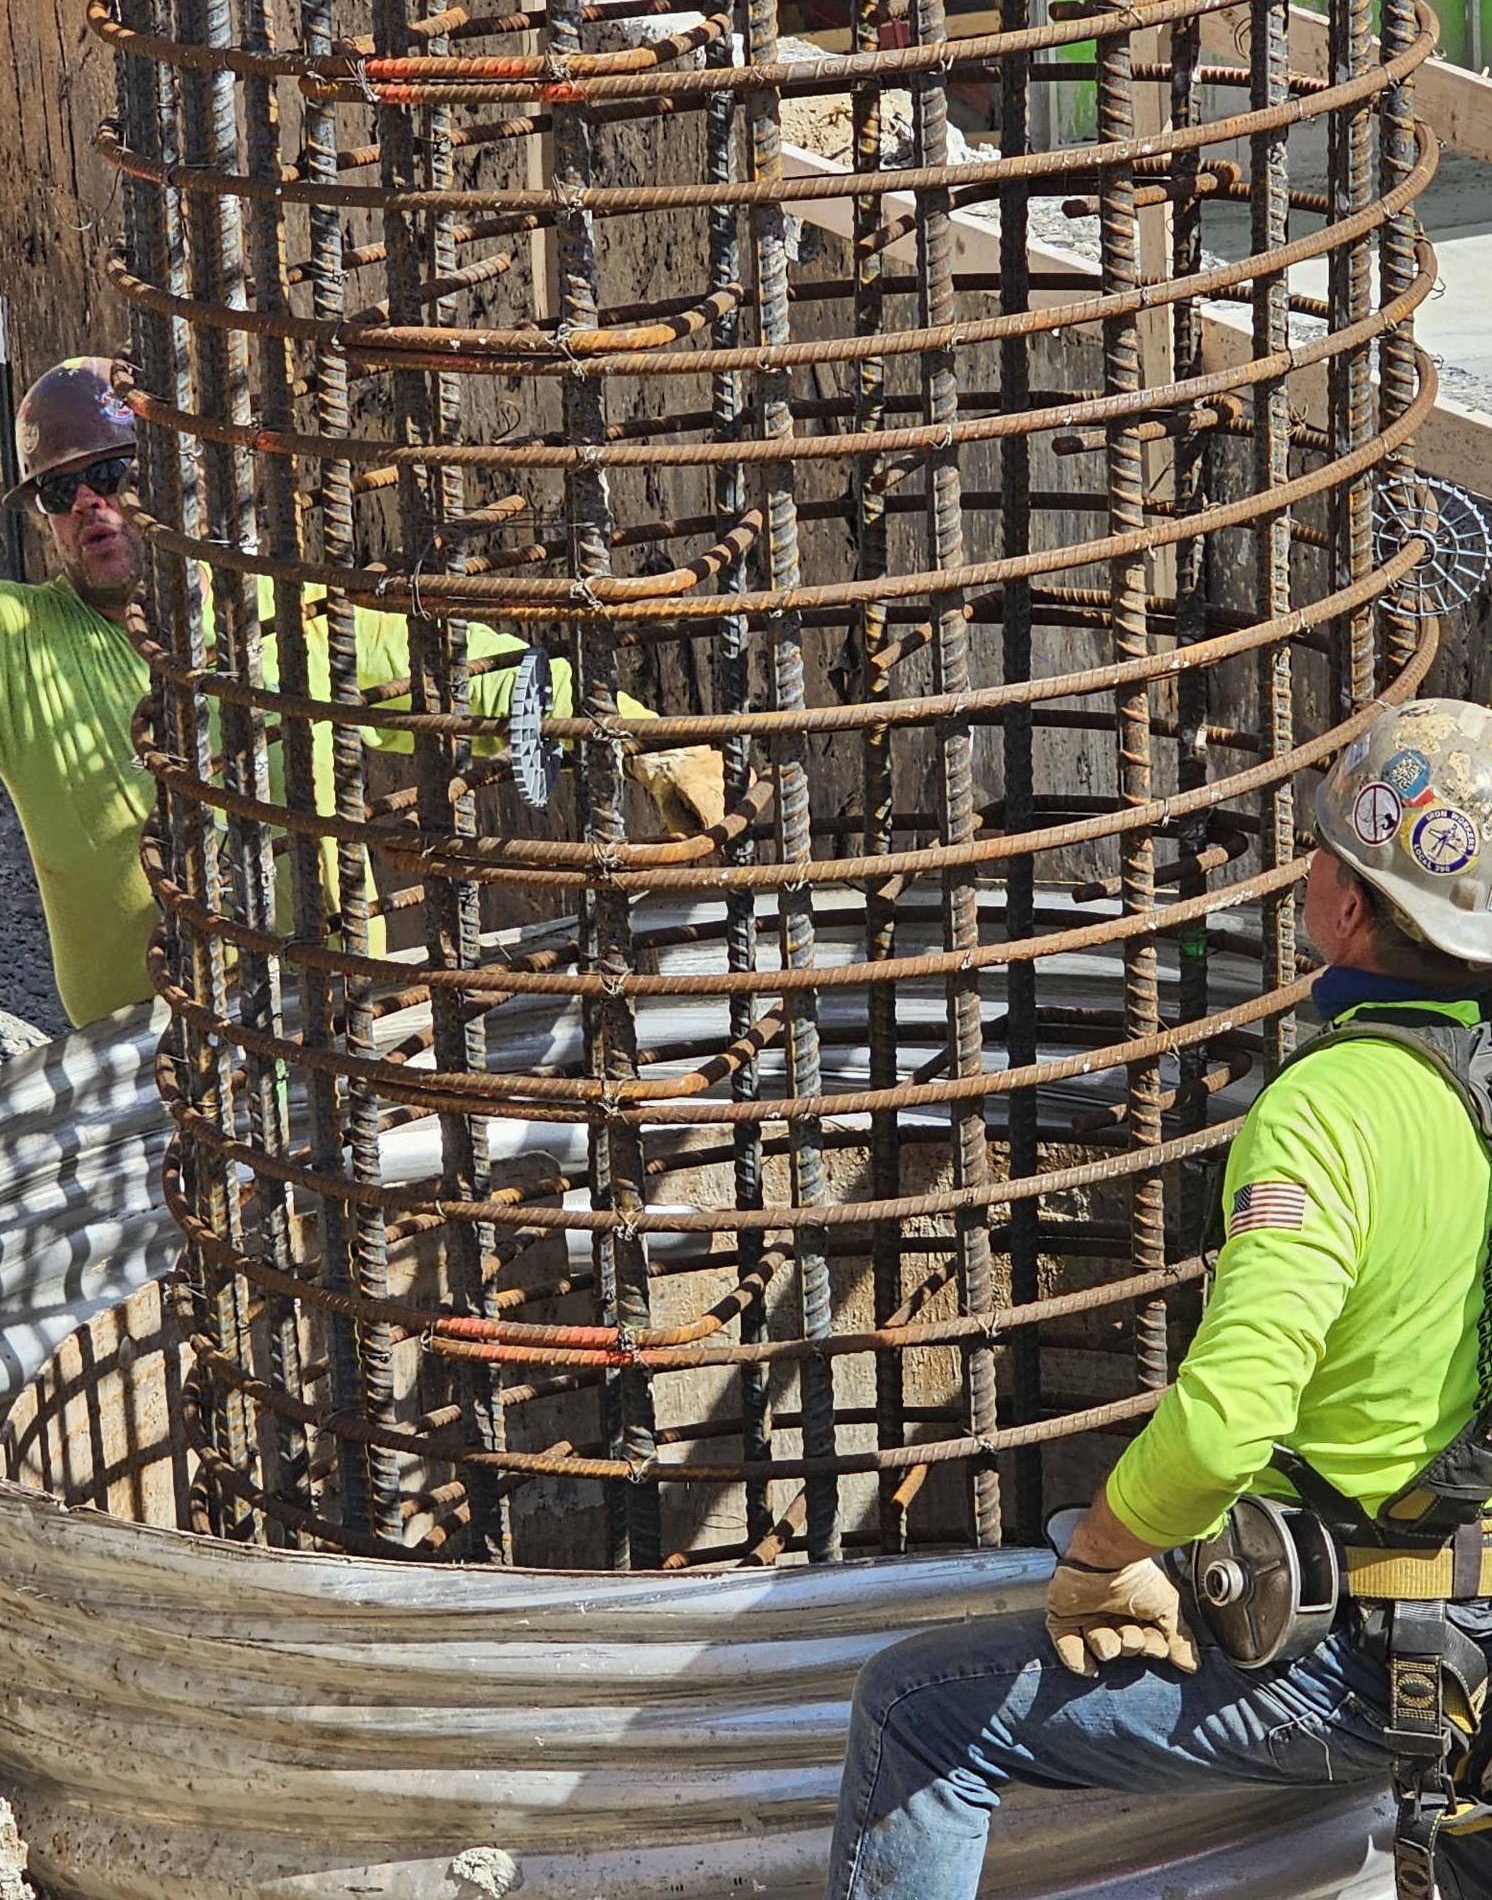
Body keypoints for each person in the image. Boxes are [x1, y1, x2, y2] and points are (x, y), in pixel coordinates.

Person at [826, 696, 1492, 1900]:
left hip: (1377, 1658)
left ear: (1344, 903)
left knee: (913, 1707)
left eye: (1323, 853)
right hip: (1474, 1638)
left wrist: (1101, 1550)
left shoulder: (1329, 1111)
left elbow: (1229, 1414)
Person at [0, 357, 723, 1029]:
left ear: (167, 476)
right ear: (44, 516)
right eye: (62, 490)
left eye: (116, 473)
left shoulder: (282, 615)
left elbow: (464, 671)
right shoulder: (22, 646)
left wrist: (643, 740)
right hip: (150, 1049)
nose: (93, 504)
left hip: (332, 1008)